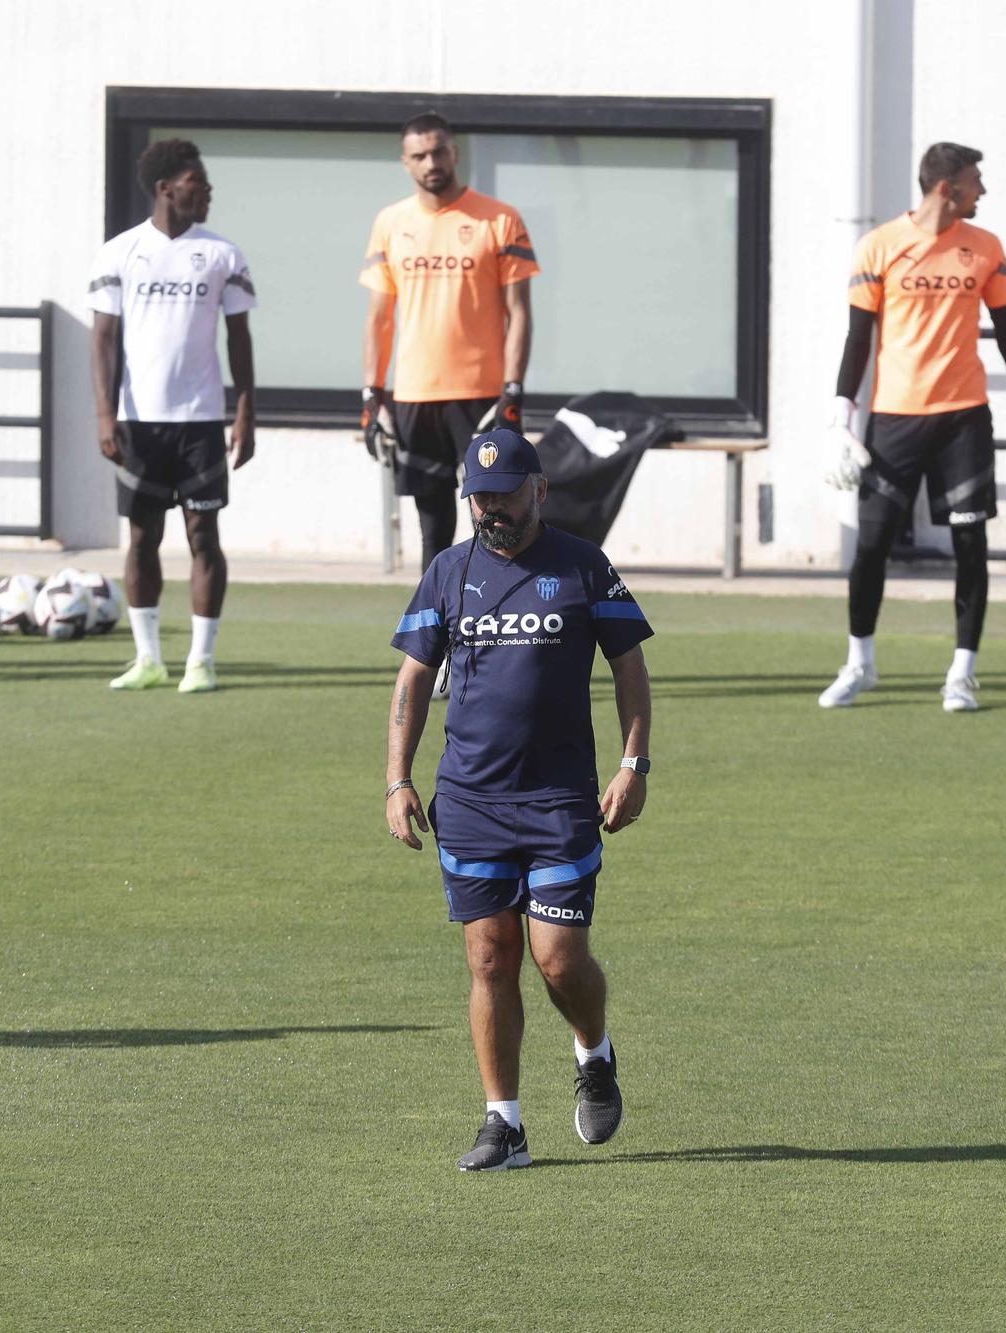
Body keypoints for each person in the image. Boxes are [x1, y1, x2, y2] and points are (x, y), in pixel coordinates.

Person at [385, 428, 652, 1172]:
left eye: (504, 494)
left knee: (558, 958)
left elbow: (630, 667)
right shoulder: (448, 571)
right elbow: (411, 681)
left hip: (560, 798)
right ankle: (505, 1125)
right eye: (480, 497)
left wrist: (634, 763)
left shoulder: (583, 565)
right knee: (489, 955)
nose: (491, 509)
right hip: (470, 800)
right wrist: (398, 778)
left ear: (539, 488)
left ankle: (594, 1054)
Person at [821, 142, 1006, 713]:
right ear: (946, 189)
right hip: (895, 419)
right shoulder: (878, 246)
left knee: (970, 544)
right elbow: (859, 338)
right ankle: (860, 663)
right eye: (976, 182)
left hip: (963, 420)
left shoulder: (985, 247)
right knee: (871, 545)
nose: (984, 192)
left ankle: (961, 674)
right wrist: (841, 416)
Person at [90, 138, 256, 694]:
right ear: (166, 189)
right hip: (140, 422)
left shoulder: (224, 255)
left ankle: (201, 661)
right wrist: (104, 415)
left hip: (203, 421)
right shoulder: (119, 253)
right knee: (141, 537)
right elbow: (104, 341)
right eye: (196, 184)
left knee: (203, 534)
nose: (206, 193)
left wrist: (245, 410)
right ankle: (148, 658)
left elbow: (239, 337)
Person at [360, 112, 539, 576]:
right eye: (419, 155)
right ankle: (436, 635)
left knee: (498, 517)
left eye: (439, 151)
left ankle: (504, 625)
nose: (431, 162)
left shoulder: (500, 219)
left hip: (481, 395)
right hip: (416, 394)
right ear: (406, 162)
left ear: (454, 153)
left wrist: (513, 390)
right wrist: (371, 393)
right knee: (432, 524)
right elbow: (379, 318)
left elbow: (519, 313)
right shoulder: (390, 222)